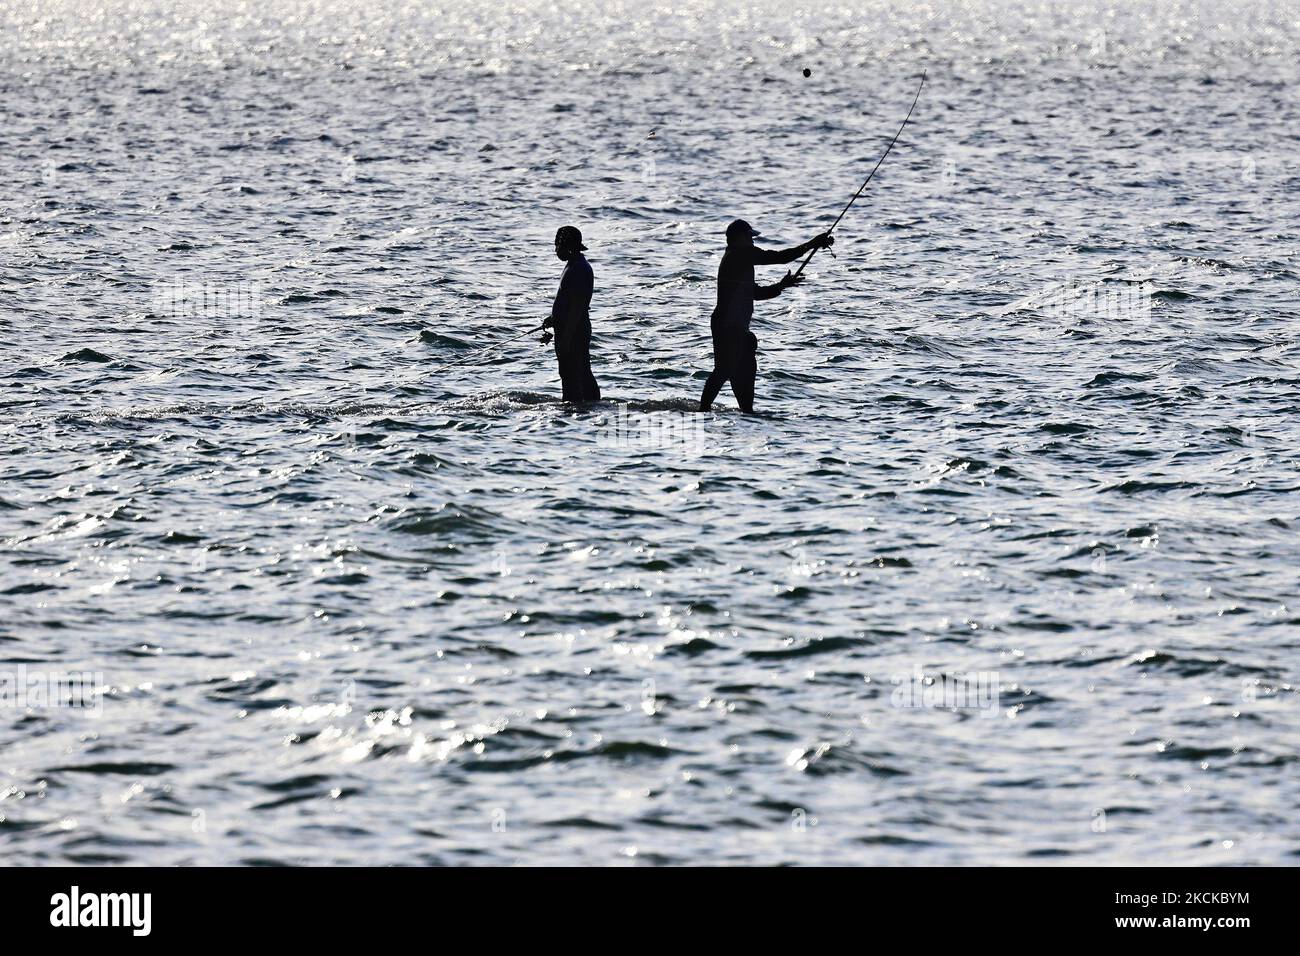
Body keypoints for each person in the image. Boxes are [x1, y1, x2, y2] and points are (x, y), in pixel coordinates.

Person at [700, 219, 833, 413]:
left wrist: (781, 285)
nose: (753, 242)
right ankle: (703, 411)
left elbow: (756, 294)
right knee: (724, 369)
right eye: (750, 237)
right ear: (740, 238)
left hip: (736, 326)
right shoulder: (739, 255)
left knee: (744, 367)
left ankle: (746, 412)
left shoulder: (739, 261)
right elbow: (780, 257)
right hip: (727, 325)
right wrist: (811, 243)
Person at [541, 225, 600, 402]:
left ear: (566, 245)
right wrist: (554, 319)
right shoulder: (573, 265)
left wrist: (566, 337)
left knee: (575, 372)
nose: (555, 250)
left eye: (557, 246)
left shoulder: (580, 268)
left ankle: (576, 407)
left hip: (574, 330)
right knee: (573, 371)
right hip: (569, 328)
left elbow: (577, 308)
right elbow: (569, 303)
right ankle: (581, 405)